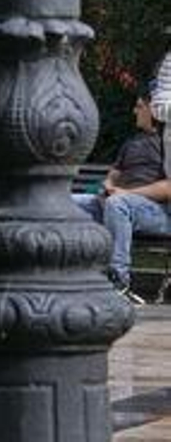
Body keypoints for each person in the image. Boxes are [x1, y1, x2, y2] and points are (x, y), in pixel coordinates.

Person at [72, 86, 169, 304]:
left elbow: (168, 188)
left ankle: (119, 283)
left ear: (154, 110)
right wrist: (105, 187)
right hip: (120, 203)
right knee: (66, 202)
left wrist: (124, 193)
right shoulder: (133, 143)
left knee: (118, 204)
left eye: (139, 106)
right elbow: (113, 175)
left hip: (160, 214)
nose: (135, 111)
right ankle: (62, 274)